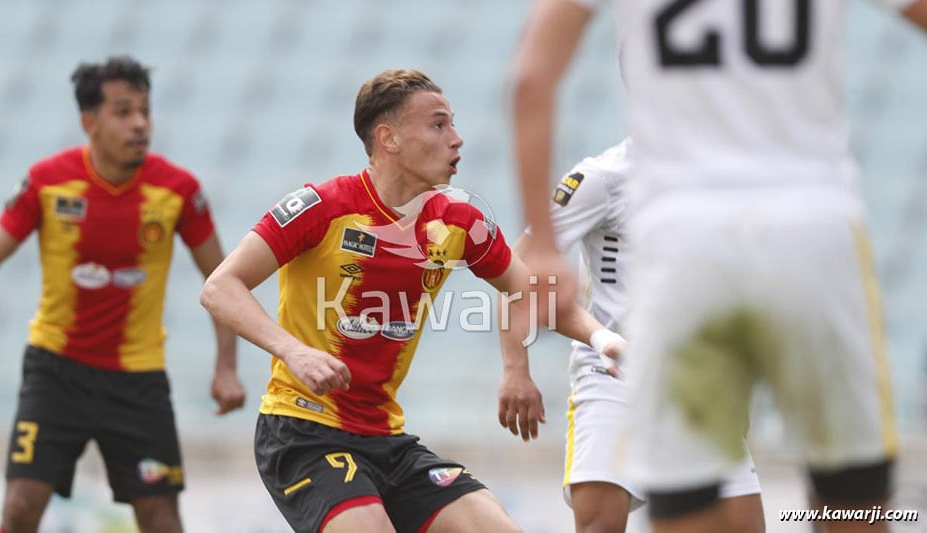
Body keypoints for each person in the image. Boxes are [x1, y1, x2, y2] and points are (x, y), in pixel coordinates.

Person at [511, 0, 927, 531]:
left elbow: (530, 78)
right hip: (811, 228)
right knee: (852, 494)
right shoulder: (603, 176)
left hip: (687, 242)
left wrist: (545, 246)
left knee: (691, 503)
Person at [199, 68, 618, 533]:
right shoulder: (323, 206)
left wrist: (602, 340)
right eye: (439, 125)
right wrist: (293, 350)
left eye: (453, 124)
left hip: (386, 440)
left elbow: (532, 292)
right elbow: (220, 287)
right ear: (389, 138)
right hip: (304, 431)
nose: (457, 139)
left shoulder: (459, 220)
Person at [0, 56, 246, 533]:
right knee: (20, 508)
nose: (140, 124)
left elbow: (223, 278)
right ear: (90, 122)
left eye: (145, 111)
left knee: (162, 519)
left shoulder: (178, 190)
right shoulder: (48, 181)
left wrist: (226, 367)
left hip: (138, 379)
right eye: (124, 111)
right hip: (55, 371)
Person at [498, 138, 764, 533]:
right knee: (601, 527)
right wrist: (515, 368)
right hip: (613, 377)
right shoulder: (601, 177)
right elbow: (513, 266)